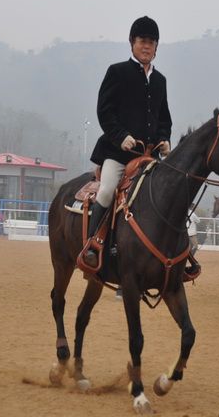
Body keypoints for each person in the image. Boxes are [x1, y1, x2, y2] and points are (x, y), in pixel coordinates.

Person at [85, 16, 172, 266]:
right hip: (118, 154)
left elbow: (164, 117)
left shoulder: (160, 81)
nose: (147, 46)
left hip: (149, 157)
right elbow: (105, 111)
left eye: (152, 42)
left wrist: (164, 138)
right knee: (107, 189)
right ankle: (93, 244)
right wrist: (121, 136)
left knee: (166, 196)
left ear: (157, 47)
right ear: (132, 43)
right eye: (142, 41)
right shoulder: (117, 72)